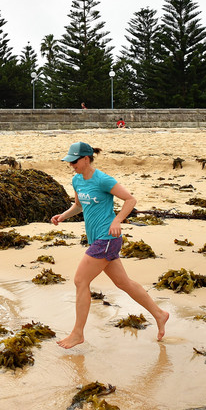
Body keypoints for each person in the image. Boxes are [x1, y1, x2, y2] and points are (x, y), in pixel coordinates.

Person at [51, 141, 169, 347]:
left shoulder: (103, 180)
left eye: (75, 161)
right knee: (124, 283)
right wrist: (63, 216)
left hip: (107, 239)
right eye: (70, 162)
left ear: (86, 159)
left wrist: (117, 220)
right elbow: (79, 205)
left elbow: (130, 200)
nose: (72, 165)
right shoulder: (77, 181)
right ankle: (160, 314)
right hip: (97, 239)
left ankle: (77, 334)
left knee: (80, 281)